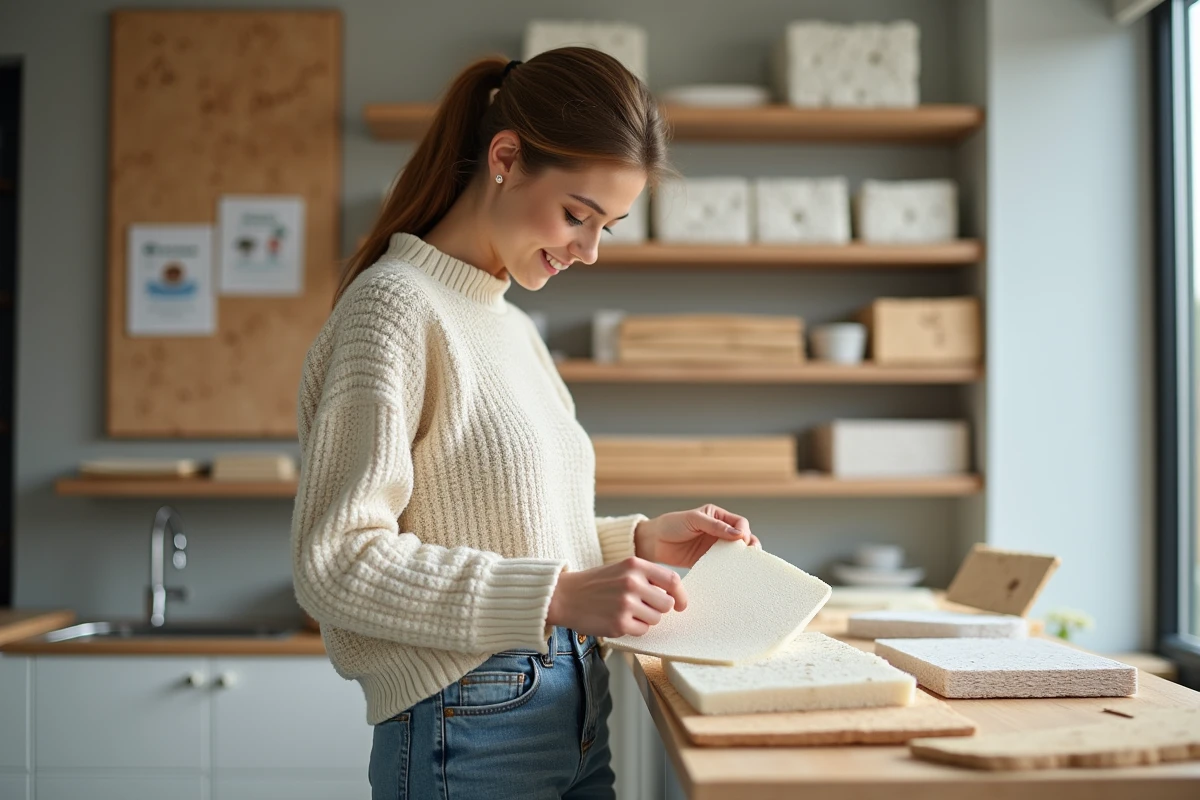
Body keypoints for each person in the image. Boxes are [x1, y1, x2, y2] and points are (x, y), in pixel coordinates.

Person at [290, 47, 760, 799]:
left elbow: (508, 528)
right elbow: (336, 561)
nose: (591, 250)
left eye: (608, 225)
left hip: (572, 704)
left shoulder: (512, 328)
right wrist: (558, 596)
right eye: (578, 215)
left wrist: (639, 541)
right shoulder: (394, 308)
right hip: (471, 720)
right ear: (505, 157)